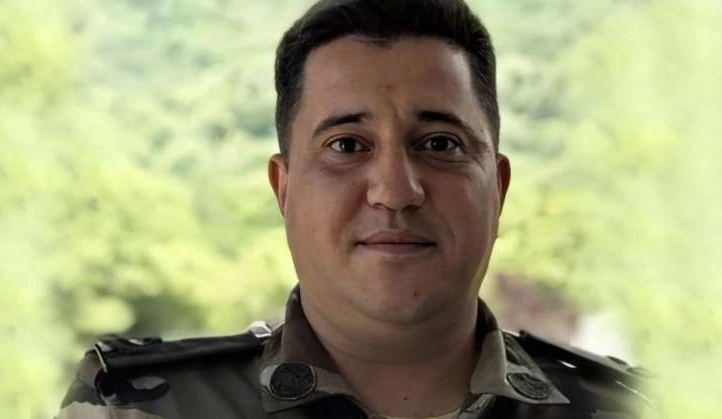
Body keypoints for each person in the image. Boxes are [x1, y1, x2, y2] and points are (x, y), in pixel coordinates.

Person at [56, 1, 652, 418]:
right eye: (346, 146)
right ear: (284, 189)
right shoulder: (131, 406)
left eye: (439, 144)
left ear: (497, 189)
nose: (395, 190)